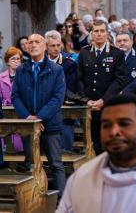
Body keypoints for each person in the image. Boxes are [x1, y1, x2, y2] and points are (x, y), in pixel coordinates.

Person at [11, 33, 66, 194]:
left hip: (50, 124)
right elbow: (15, 95)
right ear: (26, 47)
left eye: (37, 42)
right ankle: (32, 201)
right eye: (30, 42)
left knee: (55, 163)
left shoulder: (56, 69)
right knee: (30, 163)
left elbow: (58, 97)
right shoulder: (21, 69)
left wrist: (39, 117)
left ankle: (63, 202)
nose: (33, 45)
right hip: (28, 124)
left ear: (44, 45)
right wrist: (28, 117)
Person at [77, 19, 126, 155]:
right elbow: (79, 78)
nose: (99, 34)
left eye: (102, 31)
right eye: (96, 31)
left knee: (110, 143)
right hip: (90, 106)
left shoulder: (117, 53)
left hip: (108, 105)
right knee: (93, 144)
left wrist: (103, 100)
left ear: (107, 34)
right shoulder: (84, 52)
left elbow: (119, 80)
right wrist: (86, 100)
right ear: (92, 34)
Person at [45, 30, 79, 151]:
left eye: (58, 45)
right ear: (46, 46)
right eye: (52, 45)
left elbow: (69, 88)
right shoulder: (40, 63)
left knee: (64, 146)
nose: (56, 48)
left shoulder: (69, 63)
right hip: (43, 107)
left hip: (63, 105)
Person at [0, 47, 24, 153]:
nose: (16, 61)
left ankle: (19, 155)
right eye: (13, 59)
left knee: (19, 135)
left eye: (18, 59)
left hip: (20, 110)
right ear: (7, 62)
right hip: (5, 110)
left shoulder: (25, 76)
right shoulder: (1, 77)